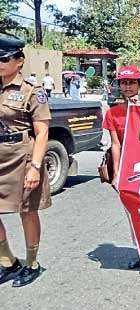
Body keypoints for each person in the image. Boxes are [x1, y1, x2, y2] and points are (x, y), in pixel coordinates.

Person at [0, 36, 52, 287]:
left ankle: (32, 263)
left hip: (22, 156)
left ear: (19, 61)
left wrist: (35, 167)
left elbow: (42, 132)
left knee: (27, 212)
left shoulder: (32, 91)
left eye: (4, 59)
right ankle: (8, 261)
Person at [102, 65, 140, 275]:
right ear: (119, 86)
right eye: (124, 83)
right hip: (126, 171)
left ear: (139, 85)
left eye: (132, 82)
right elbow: (116, 144)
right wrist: (116, 175)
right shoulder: (113, 113)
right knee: (133, 214)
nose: (128, 86)